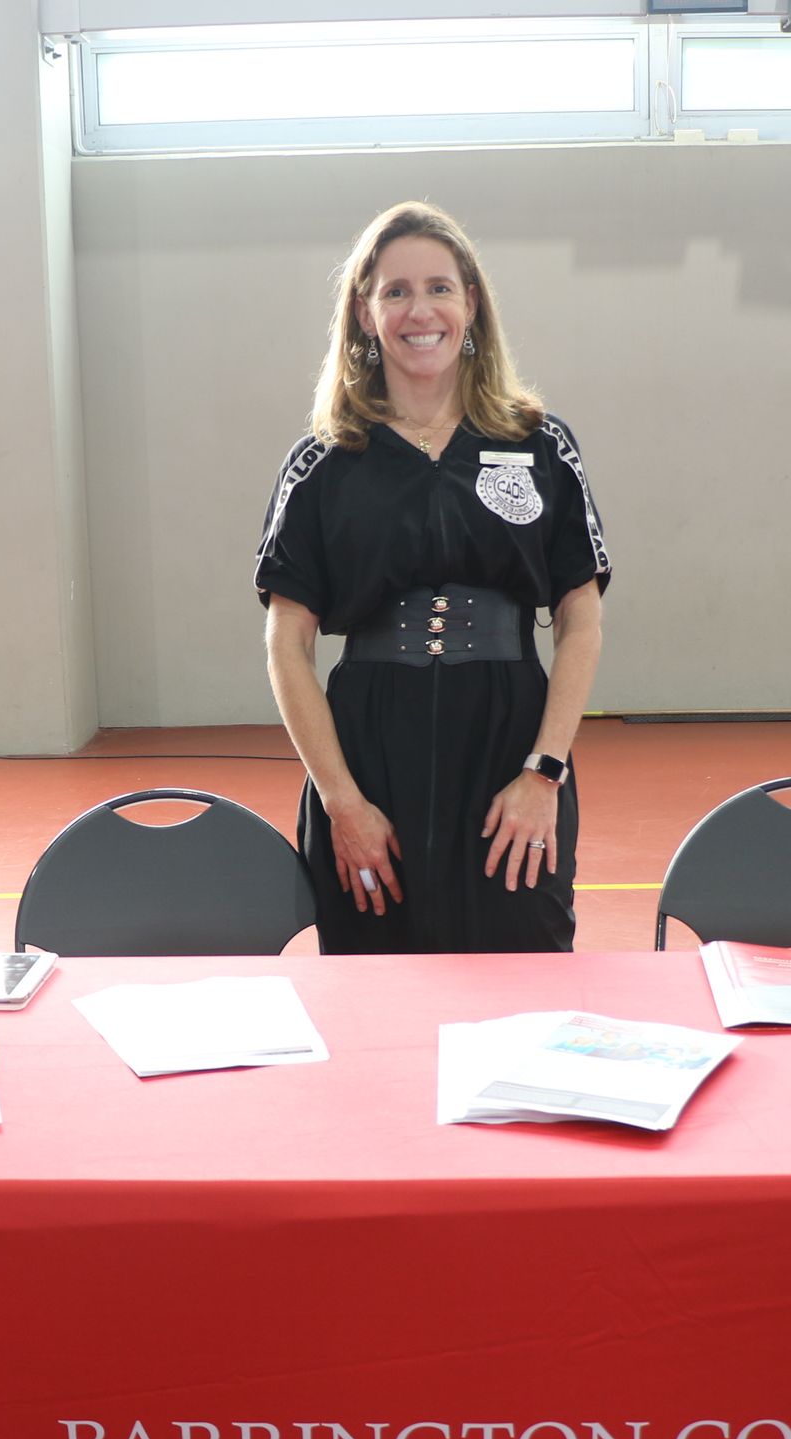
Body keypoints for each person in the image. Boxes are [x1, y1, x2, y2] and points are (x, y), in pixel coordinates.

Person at [255, 202, 609, 954]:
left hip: (509, 745)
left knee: (525, 967)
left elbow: (581, 618)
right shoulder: (323, 462)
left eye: (440, 288)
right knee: (375, 983)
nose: (421, 311)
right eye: (396, 291)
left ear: (471, 304)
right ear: (365, 313)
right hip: (370, 753)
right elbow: (287, 645)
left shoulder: (540, 445)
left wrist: (543, 774)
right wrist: (342, 801)